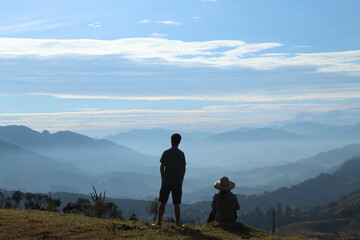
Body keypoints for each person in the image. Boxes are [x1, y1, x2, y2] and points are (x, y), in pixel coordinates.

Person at [156, 133, 186, 226]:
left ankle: (159, 222)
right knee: (176, 204)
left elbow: (161, 167)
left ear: (171, 141)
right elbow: (183, 168)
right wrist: (181, 179)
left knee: (163, 202)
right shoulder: (181, 154)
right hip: (177, 182)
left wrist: (163, 177)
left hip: (166, 181)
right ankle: (177, 223)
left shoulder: (166, 152)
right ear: (179, 142)